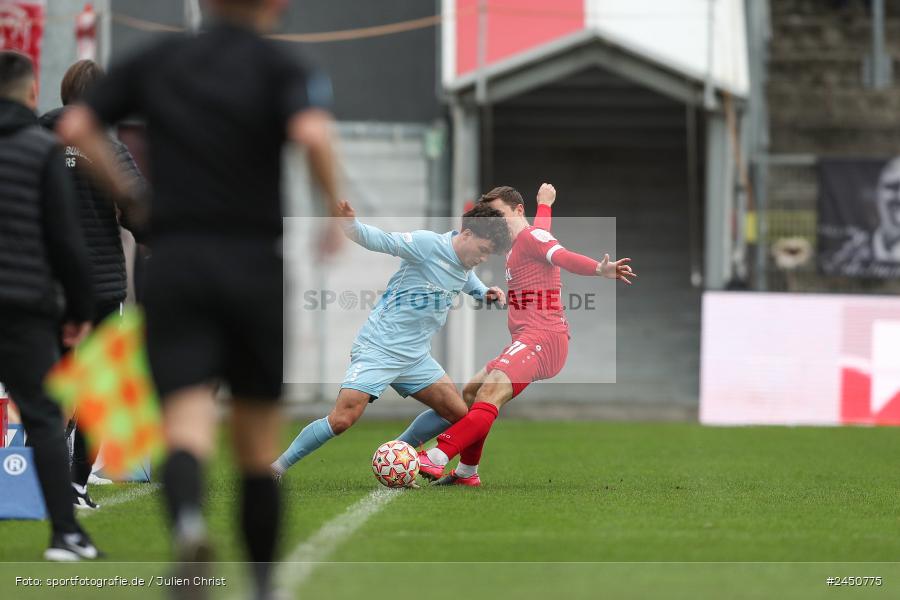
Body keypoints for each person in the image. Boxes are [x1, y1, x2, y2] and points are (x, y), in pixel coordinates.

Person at [57, 0, 345, 597]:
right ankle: (263, 584)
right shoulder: (280, 65)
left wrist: (133, 202)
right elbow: (313, 133)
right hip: (251, 260)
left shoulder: (160, 58)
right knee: (255, 437)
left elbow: (77, 126)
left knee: (186, 422)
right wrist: (328, 213)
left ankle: (189, 525)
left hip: (178, 259)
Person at [414, 184, 636, 486]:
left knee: (490, 393)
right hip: (527, 339)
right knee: (471, 392)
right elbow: (542, 230)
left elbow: (561, 255)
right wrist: (545, 204)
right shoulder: (526, 240)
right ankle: (467, 473)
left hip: (542, 338)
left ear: (518, 211)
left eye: (499, 214)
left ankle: (438, 455)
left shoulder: (531, 238)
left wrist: (598, 269)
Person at [271, 201, 510, 480]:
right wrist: (351, 225)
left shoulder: (464, 262)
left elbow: (465, 278)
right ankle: (276, 468)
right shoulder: (427, 245)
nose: (483, 259)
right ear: (467, 234)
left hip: (416, 357)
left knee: (457, 414)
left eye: (488, 255)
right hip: (379, 348)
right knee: (342, 419)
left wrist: (484, 292)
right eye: (483, 251)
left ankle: (397, 454)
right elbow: (382, 241)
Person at [0, 50, 100, 560]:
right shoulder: (44, 150)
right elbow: (66, 242)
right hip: (23, 304)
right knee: (43, 414)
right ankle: (66, 533)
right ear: (32, 91)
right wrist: (79, 309)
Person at [40, 59, 146, 510]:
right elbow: (138, 210)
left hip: (46, 283)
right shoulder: (110, 150)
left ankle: (33, 477)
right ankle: (77, 484)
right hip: (100, 285)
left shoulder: (38, 140)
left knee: (47, 382)